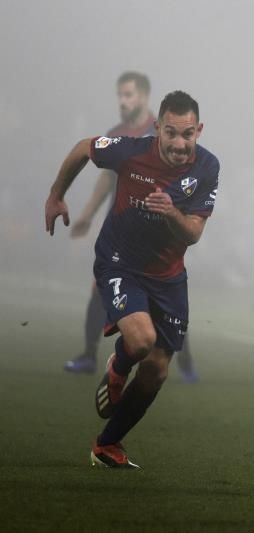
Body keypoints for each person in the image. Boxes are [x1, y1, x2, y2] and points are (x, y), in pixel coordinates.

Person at [45, 91, 219, 467]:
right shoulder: (129, 150)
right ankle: (118, 366)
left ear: (199, 131)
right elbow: (82, 149)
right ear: (157, 128)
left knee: (157, 370)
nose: (178, 143)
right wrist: (56, 195)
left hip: (169, 277)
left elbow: (193, 233)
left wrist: (172, 213)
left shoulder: (207, 167)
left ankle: (107, 445)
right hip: (119, 263)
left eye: (187, 134)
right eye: (170, 133)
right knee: (141, 341)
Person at [63, 72, 199, 383]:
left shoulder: (166, 133)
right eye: (120, 96)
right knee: (99, 288)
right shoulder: (118, 134)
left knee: (166, 299)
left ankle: (185, 360)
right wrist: (86, 214)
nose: (123, 102)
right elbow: (105, 179)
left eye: (129, 95)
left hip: (160, 236)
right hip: (122, 233)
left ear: (145, 97)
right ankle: (88, 354)